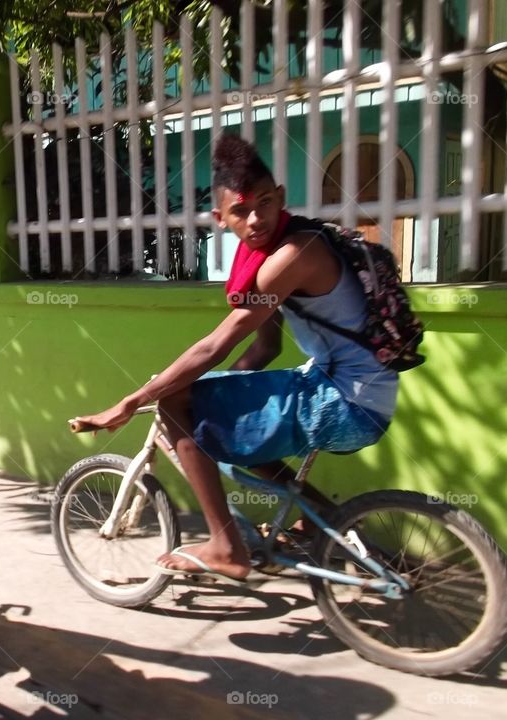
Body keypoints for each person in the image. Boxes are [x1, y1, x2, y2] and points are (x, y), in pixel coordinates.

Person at [75, 134, 397, 581]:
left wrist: (134, 400)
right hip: (359, 393)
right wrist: (218, 385)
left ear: (280, 197)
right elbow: (267, 347)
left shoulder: (290, 257)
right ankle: (326, 528)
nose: (256, 218)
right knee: (232, 421)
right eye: (241, 211)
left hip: (345, 401)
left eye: (264, 203)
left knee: (175, 405)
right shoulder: (283, 245)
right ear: (220, 219)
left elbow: (216, 345)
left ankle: (226, 547)